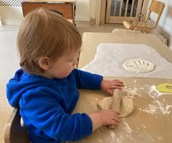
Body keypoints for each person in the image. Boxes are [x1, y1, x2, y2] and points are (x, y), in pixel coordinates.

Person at [6, 8, 124, 143]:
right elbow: (64, 129)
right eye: (70, 60)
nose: (76, 63)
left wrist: (101, 83)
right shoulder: (35, 98)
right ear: (45, 62)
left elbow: (77, 76)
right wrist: (100, 118)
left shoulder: (53, 71)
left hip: (70, 117)